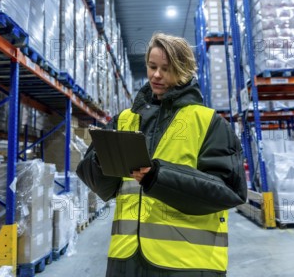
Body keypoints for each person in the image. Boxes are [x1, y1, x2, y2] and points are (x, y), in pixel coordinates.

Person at [77, 32, 248, 277]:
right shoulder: (124, 120)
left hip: (187, 264)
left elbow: (229, 190)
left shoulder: (209, 123)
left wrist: (159, 177)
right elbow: (93, 178)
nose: (156, 75)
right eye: (152, 66)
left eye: (166, 69)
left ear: (184, 70)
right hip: (125, 259)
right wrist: (101, 161)